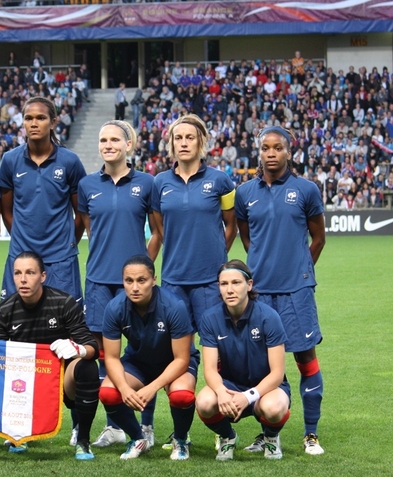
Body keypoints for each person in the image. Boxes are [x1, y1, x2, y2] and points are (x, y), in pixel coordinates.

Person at [235, 125, 326, 455]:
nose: (271, 153)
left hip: (295, 291)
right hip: (259, 292)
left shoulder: (306, 190)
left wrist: (301, 270)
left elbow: (318, 239)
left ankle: (311, 434)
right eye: (265, 148)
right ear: (258, 152)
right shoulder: (245, 192)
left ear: (289, 152)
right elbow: (248, 238)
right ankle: (268, 434)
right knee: (264, 366)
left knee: (305, 358)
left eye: (278, 148)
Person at [149, 113, 237, 447]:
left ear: (201, 142)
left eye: (189, 137)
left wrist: (217, 259)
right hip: (173, 282)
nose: (183, 143)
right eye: (178, 138)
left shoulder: (221, 180)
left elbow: (231, 224)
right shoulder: (160, 183)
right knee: (170, 356)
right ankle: (170, 431)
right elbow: (158, 229)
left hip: (210, 285)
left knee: (221, 353)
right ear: (170, 144)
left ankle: (224, 427)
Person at [0, 251, 99, 460]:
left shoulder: (64, 303)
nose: (23, 279)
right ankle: (11, 433)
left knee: (88, 367)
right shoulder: (3, 311)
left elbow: (91, 346)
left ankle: (82, 441)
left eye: (30, 273)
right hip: (22, 378)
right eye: (18, 273)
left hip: (60, 375)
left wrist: (78, 349)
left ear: (43, 276)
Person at [77, 120, 161, 448]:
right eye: (103, 140)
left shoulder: (147, 183)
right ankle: (114, 426)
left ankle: (148, 425)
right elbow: (88, 229)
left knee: (146, 353)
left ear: (129, 145)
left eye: (115, 139)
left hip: (135, 285)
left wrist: (144, 267)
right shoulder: (87, 185)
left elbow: (157, 232)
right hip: (99, 281)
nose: (108, 144)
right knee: (103, 355)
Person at [98, 255, 195, 461]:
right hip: (138, 362)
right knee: (109, 392)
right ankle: (138, 438)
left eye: (141, 280)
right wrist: (124, 388)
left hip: (174, 363)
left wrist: (152, 388)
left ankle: (180, 439)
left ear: (154, 280)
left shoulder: (174, 306)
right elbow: (112, 358)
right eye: (129, 281)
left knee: (181, 395)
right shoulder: (115, 308)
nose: (134, 287)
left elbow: (181, 359)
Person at [196, 260, 291, 461]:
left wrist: (248, 396)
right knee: (204, 402)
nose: (229, 290)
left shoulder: (269, 317)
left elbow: (277, 373)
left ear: (249, 285)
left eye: (236, 283)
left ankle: (271, 437)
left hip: (267, 387)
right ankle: (227, 437)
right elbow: (210, 370)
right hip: (230, 386)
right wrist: (221, 392)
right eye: (224, 284)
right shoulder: (209, 318)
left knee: (274, 408)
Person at [0, 97, 86, 302]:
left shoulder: (69, 161)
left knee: (67, 327)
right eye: (28, 118)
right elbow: (6, 211)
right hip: (21, 257)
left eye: (41, 118)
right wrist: (21, 238)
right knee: (17, 327)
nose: (34, 123)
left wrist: (67, 243)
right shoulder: (10, 161)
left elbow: (80, 212)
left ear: (53, 122)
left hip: (61, 259)